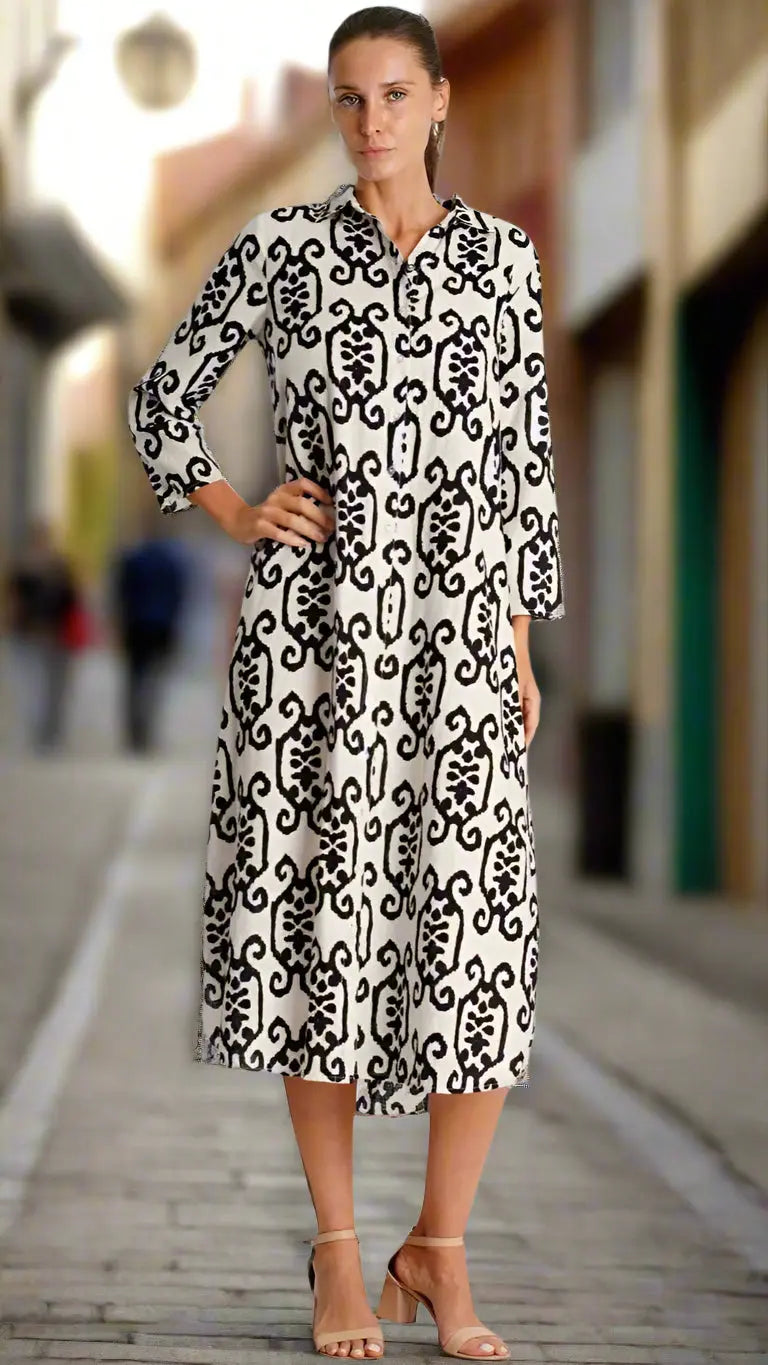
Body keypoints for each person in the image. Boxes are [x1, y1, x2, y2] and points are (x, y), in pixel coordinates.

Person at [126, 6, 565, 1359]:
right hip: (314, 647)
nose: (369, 122)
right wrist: (235, 506)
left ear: (439, 102)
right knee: (324, 938)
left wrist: (517, 643)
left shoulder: (502, 264)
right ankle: (333, 1252)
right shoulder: (280, 247)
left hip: (458, 645)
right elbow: (164, 395)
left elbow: (523, 463)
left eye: (392, 95)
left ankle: (437, 1250)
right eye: (347, 99)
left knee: (473, 943)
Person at [110, 516, 189, 752]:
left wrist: (118, 623)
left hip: (135, 626)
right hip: (162, 627)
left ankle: (134, 733)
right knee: (155, 680)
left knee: (134, 681)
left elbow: (121, 594)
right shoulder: (172, 562)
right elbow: (179, 596)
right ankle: (148, 731)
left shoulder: (133, 558)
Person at [4, 519, 80, 752]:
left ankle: (50, 732)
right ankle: (42, 733)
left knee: (52, 688)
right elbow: (12, 602)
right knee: (37, 687)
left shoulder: (59, 566)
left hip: (55, 635)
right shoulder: (24, 568)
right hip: (31, 634)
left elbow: (72, 601)